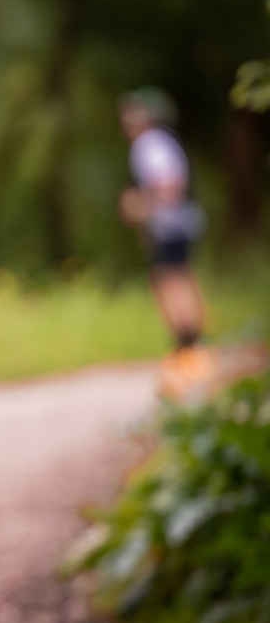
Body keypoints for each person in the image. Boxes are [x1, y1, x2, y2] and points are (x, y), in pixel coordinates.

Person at [117, 86, 212, 395]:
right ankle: (195, 348)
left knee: (170, 282)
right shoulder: (163, 141)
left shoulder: (150, 144)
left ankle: (189, 349)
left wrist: (142, 206)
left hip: (170, 224)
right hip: (178, 221)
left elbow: (169, 184)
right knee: (181, 277)